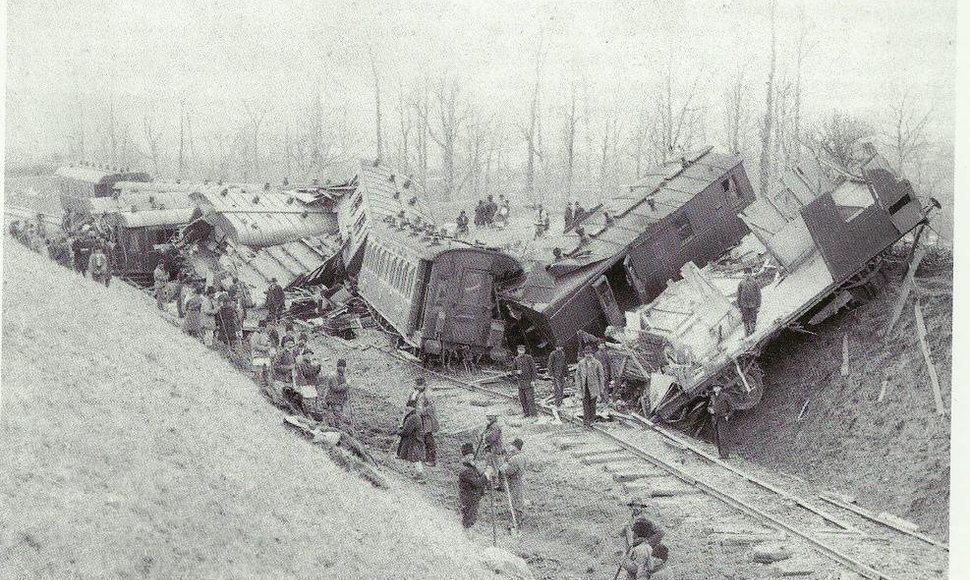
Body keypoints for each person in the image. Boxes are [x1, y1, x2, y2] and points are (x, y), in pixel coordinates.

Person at [458, 442, 487, 529]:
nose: (471, 457)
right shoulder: (465, 470)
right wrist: (486, 475)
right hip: (469, 497)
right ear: (464, 457)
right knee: (468, 518)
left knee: (471, 517)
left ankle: (468, 533)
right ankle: (466, 535)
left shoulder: (471, 467)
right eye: (469, 456)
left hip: (473, 497)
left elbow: (477, 475)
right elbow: (477, 483)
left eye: (472, 455)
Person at [575, 345, 605, 427]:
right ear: (584, 354)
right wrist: (578, 388)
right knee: (585, 405)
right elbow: (577, 376)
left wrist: (601, 389)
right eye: (586, 353)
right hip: (584, 388)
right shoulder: (581, 364)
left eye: (590, 353)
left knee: (593, 405)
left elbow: (601, 377)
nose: (588, 355)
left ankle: (592, 420)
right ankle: (586, 422)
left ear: (592, 354)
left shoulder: (597, 363)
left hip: (594, 388)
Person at [499, 438, 526, 526]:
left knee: (514, 501)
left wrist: (504, 466)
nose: (510, 448)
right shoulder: (523, 456)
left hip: (514, 481)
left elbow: (508, 471)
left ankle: (515, 522)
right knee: (519, 500)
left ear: (515, 447)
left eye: (512, 446)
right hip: (519, 480)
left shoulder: (514, 459)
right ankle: (518, 519)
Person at [397, 400, 426, 480]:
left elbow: (406, 431)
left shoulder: (413, 418)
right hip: (415, 439)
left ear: (412, 408)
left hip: (415, 440)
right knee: (413, 457)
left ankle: (420, 474)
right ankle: (416, 472)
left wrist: (399, 432)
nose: (406, 409)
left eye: (408, 408)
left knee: (415, 457)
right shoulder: (413, 415)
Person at [512, 344, 538, 418]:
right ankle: (526, 414)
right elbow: (512, 371)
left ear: (524, 351)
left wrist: (533, 380)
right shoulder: (516, 359)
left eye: (522, 350)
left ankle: (533, 415)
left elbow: (534, 369)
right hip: (520, 383)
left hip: (529, 382)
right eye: (520, 350)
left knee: (530, 399)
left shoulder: (529, 358)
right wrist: (517, 372)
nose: (521, 352)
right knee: (522, 400)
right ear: (517, 351)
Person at [737, 267, 762, 337]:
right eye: (746, 274)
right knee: (745, 320)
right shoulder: (741, 284)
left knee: (753, 319)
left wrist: (758, 305)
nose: (747, 275)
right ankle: (747, 334)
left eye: (749, 273)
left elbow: (758, 294)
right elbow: (738, 295)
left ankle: (753, 333)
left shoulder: (755, 282)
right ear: (744, 275)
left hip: (753, 305)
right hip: (744, 305)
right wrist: (739, 306)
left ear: (751, 274)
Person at [479, 413, 504, 478]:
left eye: (489, 417)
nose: (487, 418)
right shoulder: (491, 426)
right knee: (490, 468)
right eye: (487, 416)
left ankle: (496, 484)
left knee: (494, 469)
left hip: (494, 451)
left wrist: (484, 436)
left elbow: (492, 437)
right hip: (491, 450)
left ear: (493, 417)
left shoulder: (495, 426)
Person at [420, 384, 439, 467]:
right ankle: (426, 457)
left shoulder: (428, 394)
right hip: (423, 419)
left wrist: (422, 411)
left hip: (428, 420)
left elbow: (431, 407)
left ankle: (432, 459)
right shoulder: (421, 393)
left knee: (429, 439)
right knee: (424, 438)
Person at [250, 319, 273, 387]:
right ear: (259, 327)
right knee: (258, 370)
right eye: (261, 327)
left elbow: (268, 342)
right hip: (257, 355)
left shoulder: (265, 335)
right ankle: (257, 383)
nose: (263, 329)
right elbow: (254, 345)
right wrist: (265, 348)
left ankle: (266, 384)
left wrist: (269, 345)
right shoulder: (256, 334)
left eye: (264, 327)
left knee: (266, 370)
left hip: (264, 355)